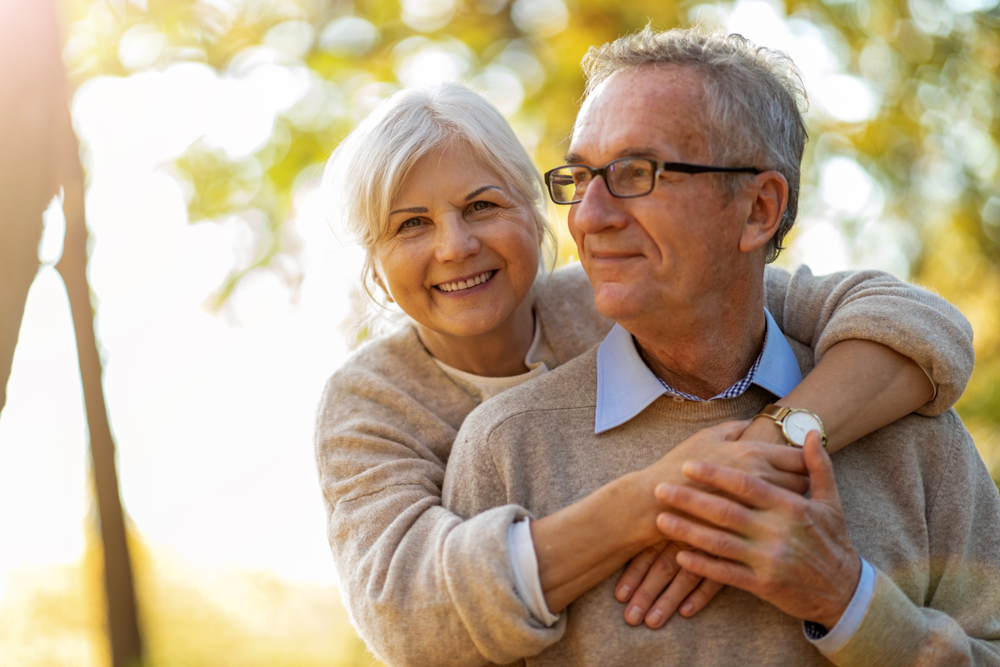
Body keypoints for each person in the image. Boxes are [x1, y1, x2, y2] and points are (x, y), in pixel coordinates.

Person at [315, 83, 976, 667]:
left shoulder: (619, 294)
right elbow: (408, 610)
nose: (454, 245)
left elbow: (912, 321)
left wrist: (769, 447)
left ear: (534, 209)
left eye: (482, 206)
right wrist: (661, 498)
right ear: (375, 259)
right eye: (411, 224)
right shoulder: (372, 403)